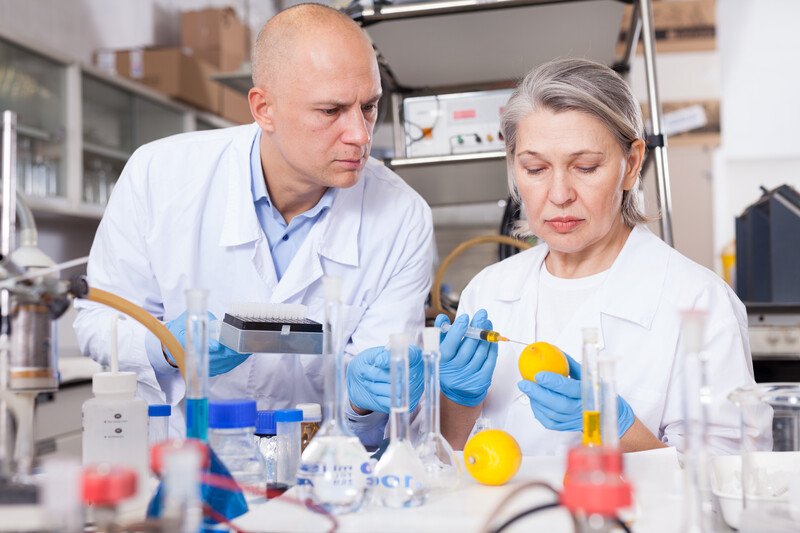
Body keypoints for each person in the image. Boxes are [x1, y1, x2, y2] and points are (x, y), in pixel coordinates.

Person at [73, 4, 431, 446]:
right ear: (265, 109)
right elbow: (97, 320)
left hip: (323, 475)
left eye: (370, 107)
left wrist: (364, 399)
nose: (360, 134)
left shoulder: (402, 216)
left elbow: (376, 410)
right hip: (187, 463)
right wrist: (164, 347)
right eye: (331, 110)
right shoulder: (159, 174)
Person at [436, 58, 765, 455]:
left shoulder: (698, 301)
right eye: (536, 168)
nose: (559, 194)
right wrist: (456, 401)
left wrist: (615, 426)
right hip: (497, 517)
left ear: (631, 164)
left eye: (586, 167)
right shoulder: (489, 291)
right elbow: (445, 460)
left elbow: (722, 481)